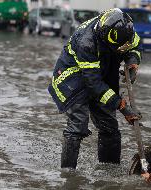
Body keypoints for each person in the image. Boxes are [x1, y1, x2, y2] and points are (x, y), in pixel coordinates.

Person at [48, 8, 142, 169]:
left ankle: (109, 172)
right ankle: (69, 176)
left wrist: (132, 62)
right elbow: (93, 84)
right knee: (77, 125)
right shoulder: (87, 42)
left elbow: (134, 46)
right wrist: (121, 106)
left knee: (110, 127)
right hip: (72, 79)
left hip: (101, 71)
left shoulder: (126, 29)